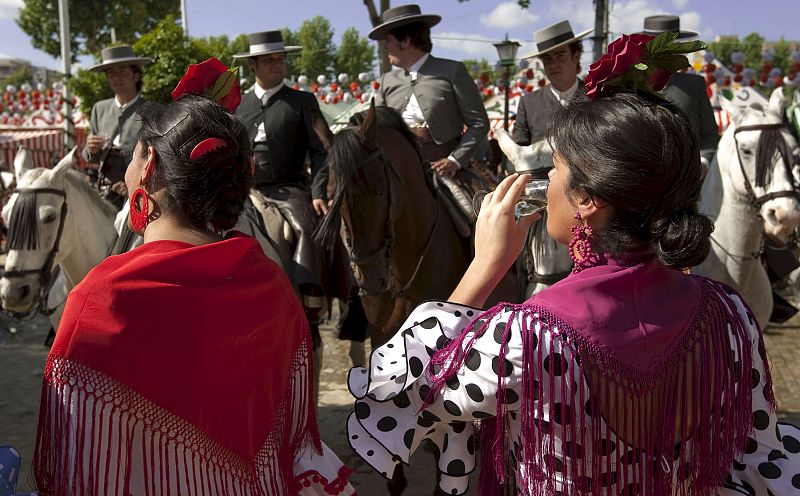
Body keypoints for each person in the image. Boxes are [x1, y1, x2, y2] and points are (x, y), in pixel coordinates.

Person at [346, 35, 800, 495]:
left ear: (586, 199)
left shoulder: (528, 335)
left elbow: (397, 398)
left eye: (555, 169)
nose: (547, 181)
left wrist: (484, 265)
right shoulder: (729, 313)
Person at [32, 61, 354, 495]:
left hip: (284, 189)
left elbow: (81, 464)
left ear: (149, 169)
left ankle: (323, 295)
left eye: (135, 153)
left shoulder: (97, 299)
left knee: (298, 231)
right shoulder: (275, 288)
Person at [233, 30, 332, 375]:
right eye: (271, 60)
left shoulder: (303, 101)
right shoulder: (237, 105)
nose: (279, 64)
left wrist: (318, 192)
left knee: (307, 227)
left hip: (289, 188)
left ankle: (310, 308)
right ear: (254, 65)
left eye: (282, 58)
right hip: (242, 191)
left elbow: (323, 152)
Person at [369, 4, 489, 178]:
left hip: (444, 167)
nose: (385, 47)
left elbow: (479, 123)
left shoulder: (452, 70)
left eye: (388, 41)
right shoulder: (387, 80)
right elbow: (375, 127)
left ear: (406, 40)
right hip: (395, 168)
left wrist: (455, 160)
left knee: (469, 204)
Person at [642, 15, 719, 166]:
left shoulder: (694, 85)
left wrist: (703, 163)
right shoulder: (627, 87)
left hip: (687, 176)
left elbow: (709, 133)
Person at [83, 45, 151, 205]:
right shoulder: (99, 109)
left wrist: (136, 186)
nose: (116, 78)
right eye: (111, 73)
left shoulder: (151, 110)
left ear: (135, 75)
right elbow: (88, 155)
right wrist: (91, 149)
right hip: (104, 189)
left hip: (140, 191)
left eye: (122, 71)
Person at [513, 20, 593, 154]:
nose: (552, 64)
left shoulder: (596, 96)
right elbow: (518, 154)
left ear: (576, 56)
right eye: (547, 59)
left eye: (560, 56)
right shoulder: (528, 104)